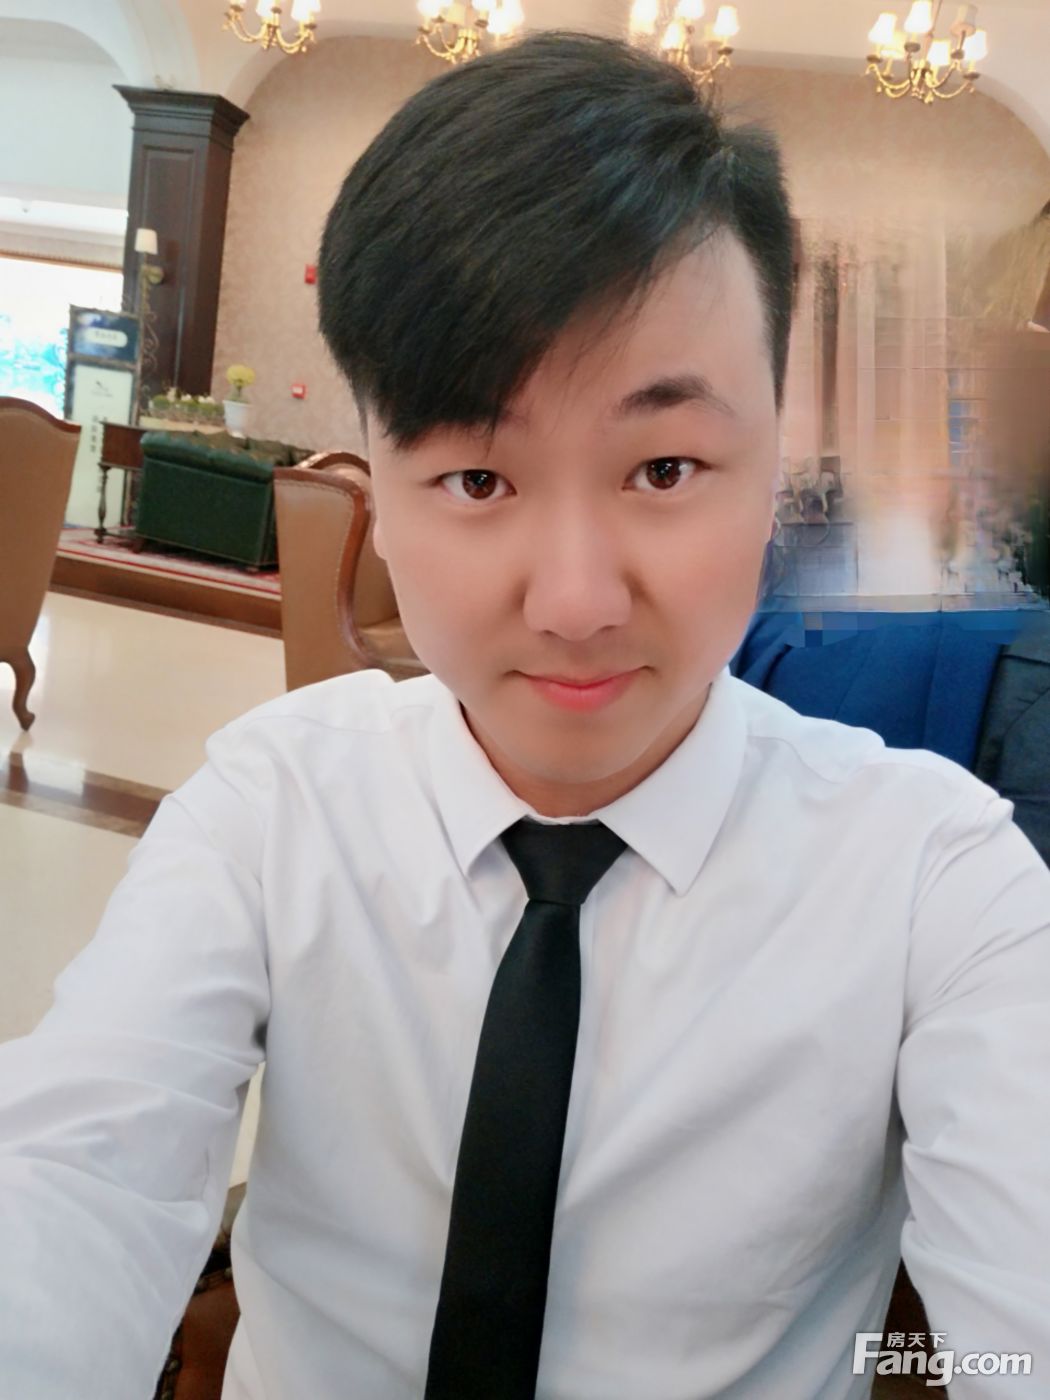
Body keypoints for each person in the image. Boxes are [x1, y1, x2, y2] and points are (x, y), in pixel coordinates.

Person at [1, 30, 1049, 1400]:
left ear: (775, 468)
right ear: (375, 491)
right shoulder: (273, 808)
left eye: (664, 467)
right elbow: (76, 1176)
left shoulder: (934, 880)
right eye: (479, 481)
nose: (575, 601)